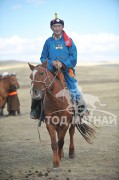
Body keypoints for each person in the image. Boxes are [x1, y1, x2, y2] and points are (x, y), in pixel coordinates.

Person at [30, 13, 89, 120]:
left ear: (62, 27)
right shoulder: (48, 42)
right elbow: (43, 57)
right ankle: (36, 111)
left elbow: (74, 56)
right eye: (55, 26)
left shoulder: (69, 41)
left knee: (73, 88)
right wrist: (50, 63)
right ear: (51, 28)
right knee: (37, 86)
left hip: (66, 70)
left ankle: (82, 110)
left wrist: (63, 64)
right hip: (50, 71)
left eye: (59, 26)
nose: (57, 28)